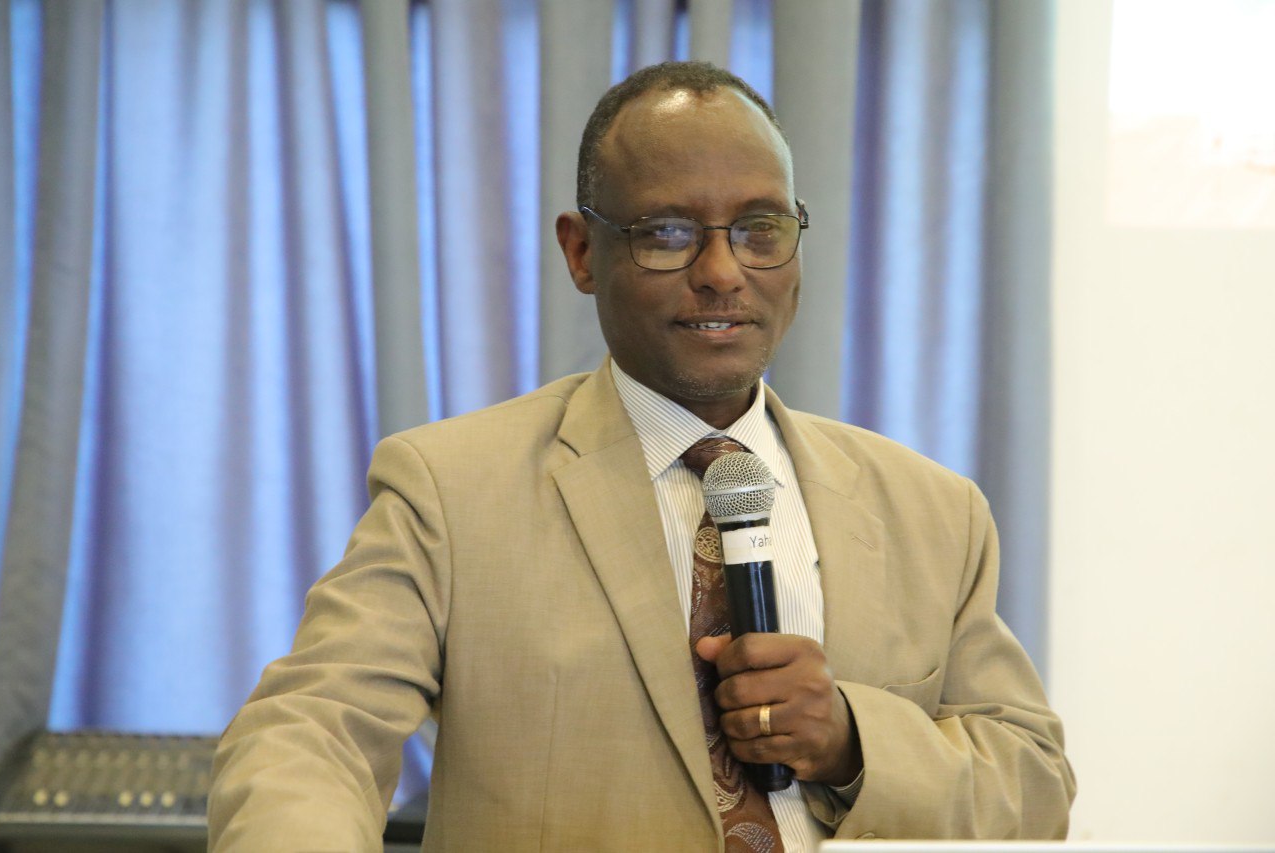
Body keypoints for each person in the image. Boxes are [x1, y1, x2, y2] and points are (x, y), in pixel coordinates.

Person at [208, 61, 1075, 851]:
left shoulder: (933, 510)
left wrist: (852, 740)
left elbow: (1032, 785)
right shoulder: (449, 491)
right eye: (668, 232)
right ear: (582, 252)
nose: (723, 271)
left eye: (760, 228)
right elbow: (312, 730)